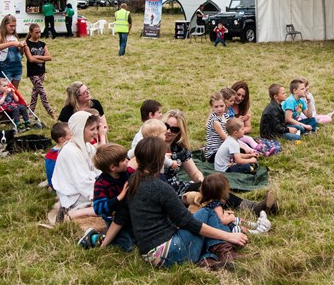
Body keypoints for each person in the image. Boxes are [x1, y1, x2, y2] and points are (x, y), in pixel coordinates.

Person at [101, 137, 248, 270]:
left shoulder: (132, 181)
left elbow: (121, 217)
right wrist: (228, 236)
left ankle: (208, 260)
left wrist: (103, 246)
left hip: (150, 256)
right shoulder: (160, 187)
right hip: (172, 252)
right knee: (208, 211)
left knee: (202, 220)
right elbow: (188, 222)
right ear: (159, 160)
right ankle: (225, 252)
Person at [162, 109, 276, 215]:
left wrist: (204, 183)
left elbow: (194, 173)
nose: (168, 131)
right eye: (166, 126)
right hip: (161, 192)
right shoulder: (152, 145)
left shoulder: (179, 149)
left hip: (178, 186)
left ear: (180, 132)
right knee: (201, 200)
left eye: (174, 129)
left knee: (212, 189)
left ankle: (255, 207)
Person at [79, 143, 136, 251]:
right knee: (128, 245)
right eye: (123, 160)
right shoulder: (101, 183)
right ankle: (95, 238)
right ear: (113, 167)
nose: (127, 161)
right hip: (113, 219)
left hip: (129, 214)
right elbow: (98, 208)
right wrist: (119, 198)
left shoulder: (128, 172)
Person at [51, 111, 103, 222]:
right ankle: (71, 213)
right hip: (74, 195)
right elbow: (82, 182)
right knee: (109, 206)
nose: (95, 133)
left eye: (96, 129)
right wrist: (101, 194)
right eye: (92, 129)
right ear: (80, 130)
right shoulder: (71, 151)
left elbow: (98, 170)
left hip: (88, 187)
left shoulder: (88, 146)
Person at [199, 173, 271, 234]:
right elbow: (222, 221)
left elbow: (215, 215)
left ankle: (255, 225)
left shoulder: (209, 203)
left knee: (237, 219)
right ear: (221, 192)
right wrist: (230, 218)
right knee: (237, 227)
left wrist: (225, 213)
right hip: (223, 229)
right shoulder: (216, 205)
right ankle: (256, 232)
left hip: (216, 226)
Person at [23, 23, 55, 119]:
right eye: (36, 32)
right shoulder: (27, 44)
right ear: (31, 33)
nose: (38, 34)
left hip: (41, 71)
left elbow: (49, 57)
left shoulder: (42, 44)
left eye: (39, 32)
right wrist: (42, 59)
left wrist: (39, 57)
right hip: (33, 73)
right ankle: (50, 111)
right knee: (42, 92)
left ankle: (30, 114)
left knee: (35, 93)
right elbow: (30, 59)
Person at [0, 14, 26, 90]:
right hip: (5, 66)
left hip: (17, 66)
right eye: (11, 26)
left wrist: (22, 47)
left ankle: (13, 102)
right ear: (5, 24)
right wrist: (12, 43)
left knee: (14, 90)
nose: (13, 28)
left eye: (15, 26)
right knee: (4, 90)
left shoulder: (14, 36)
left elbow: (20, 54)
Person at [203, 92, 229, 163]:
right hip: (214, 152)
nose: (219, 109)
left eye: (221, 106)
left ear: (225, 105)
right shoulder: (215, 121)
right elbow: (226, 138)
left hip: (223, 148)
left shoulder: (225, 116)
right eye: (216, 107)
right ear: (212, 107)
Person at [45, 122, 71, 190]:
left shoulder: (50, 153)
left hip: (53, 184)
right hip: (62, 186)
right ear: (62, 139)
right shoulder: (64, 153)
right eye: (71, 134)